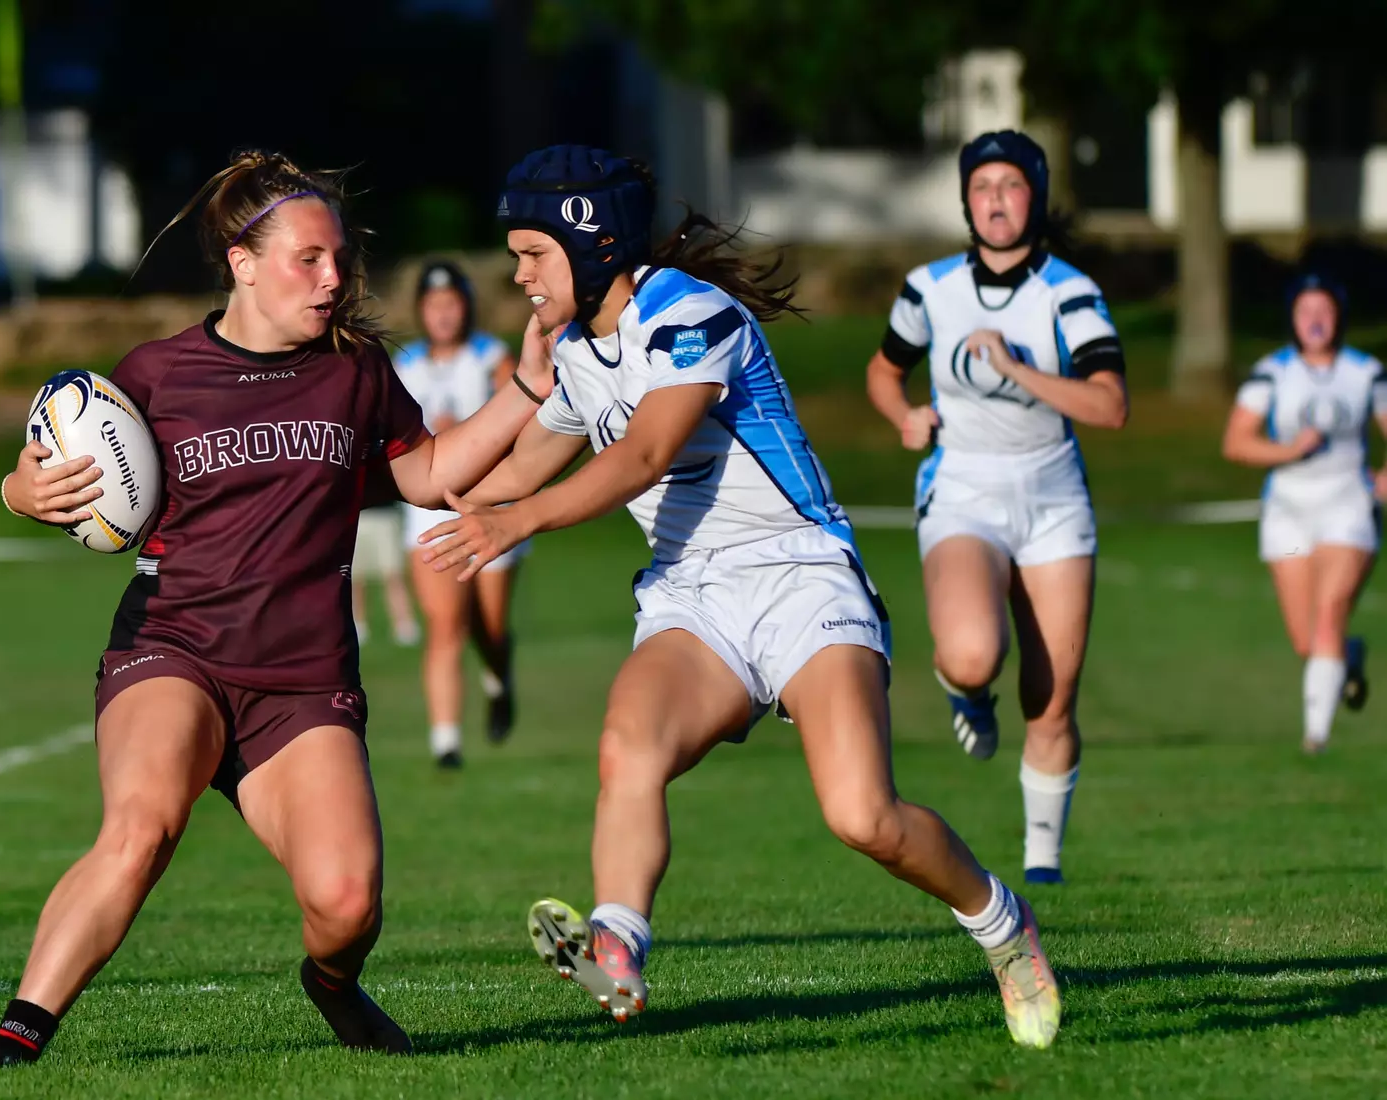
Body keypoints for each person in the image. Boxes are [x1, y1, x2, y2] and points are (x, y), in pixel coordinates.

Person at [421, 144, 1062, 1049]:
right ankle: (618, 941)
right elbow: (504, 471)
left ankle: (1002, 925)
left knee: (862, 816)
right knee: (626, 748)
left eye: (533, 252)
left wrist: (518, 522)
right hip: (692, 594)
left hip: (800, 574)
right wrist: (354, 485)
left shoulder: (689, 313)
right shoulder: (576, 352)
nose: (518, 273)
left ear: (592, 242)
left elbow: (642, 455)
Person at [0, 151, 551, 1067]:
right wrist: (20, 490)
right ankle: (15, 1046)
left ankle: (330, 986)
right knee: (141, 829)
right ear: (243, 263)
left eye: (339, 263)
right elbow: (55, 473)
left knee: (347, 901)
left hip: (301, 680)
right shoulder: (156, 373)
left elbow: (433, 474)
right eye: (308, 260)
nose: (332, 280)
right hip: (176, 650)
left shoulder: (357, 369)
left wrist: (527, 389)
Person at [864, 130, 1129, 885]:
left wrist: (1014, 365)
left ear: (1035, 198)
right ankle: (965, 689)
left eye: (1012, 187)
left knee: (1051, 699)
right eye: (983, 188)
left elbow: (1110, 407)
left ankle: (1043, 860)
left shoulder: (1069, 292)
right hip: (964, 492)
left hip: (1052, 495)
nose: (996, 202)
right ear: (966, 201)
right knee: (973, 652)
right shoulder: (931, 287)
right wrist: (903, 416)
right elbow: (884, 372)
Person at [1223, 271, 1386, 753]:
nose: (1316, 321)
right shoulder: (1272, 372)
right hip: (1289, 512)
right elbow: (1236, 443)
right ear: (1293, 318)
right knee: (1306, 640)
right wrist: (1289, 451)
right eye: (1306, 311)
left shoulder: (1366, 372)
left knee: (1330, 613)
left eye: (1325, 311)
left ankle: (1316, 734)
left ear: (1339, 318)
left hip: (1347, 505)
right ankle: (1348, 657)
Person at [394, 260, 526, 766]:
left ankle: (498, 675)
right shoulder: (405, 364)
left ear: (465, 308)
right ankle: (445, 741)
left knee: (488, 627)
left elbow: (522, 419)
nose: (444, 314)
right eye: (434, 305)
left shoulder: (492, 357)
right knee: (444, 625)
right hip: (428, 511)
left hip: (490, 505)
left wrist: (465, 433)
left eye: (452, 304)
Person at [350, 504, 420, 647]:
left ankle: (404, 626)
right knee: (354, 577)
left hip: (385, 514)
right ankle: (357, 626)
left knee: (393, 574)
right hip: (353, 516)